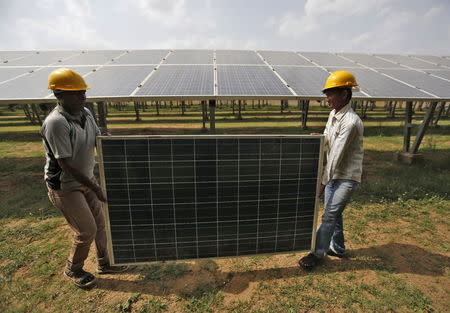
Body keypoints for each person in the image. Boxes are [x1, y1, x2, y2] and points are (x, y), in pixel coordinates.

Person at [41, 68, 128, 288]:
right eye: (76, 92)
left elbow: (96, 135)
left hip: (87, 179)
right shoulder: (56, 123)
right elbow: (66, 164)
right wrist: (95, 188)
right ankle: (73, 269)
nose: (83, 97)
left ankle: (105, 263)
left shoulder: (86, 113)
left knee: (101, 224)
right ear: (59, 94)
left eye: (83, 92)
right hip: (66, 186)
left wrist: (107, 140)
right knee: (86, 230)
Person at [299, 70, 364, 270]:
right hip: (334, 175)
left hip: (346, 177)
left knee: (329, 215)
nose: (326, 99)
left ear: (344, 94)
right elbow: (329, 136)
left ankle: (317, 253)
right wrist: (321, 137)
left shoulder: (351, 122)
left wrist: (321, 185)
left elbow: (335, 157)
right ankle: (338, 248)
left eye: (330, 94)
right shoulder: (334, 114)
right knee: (334, 214)